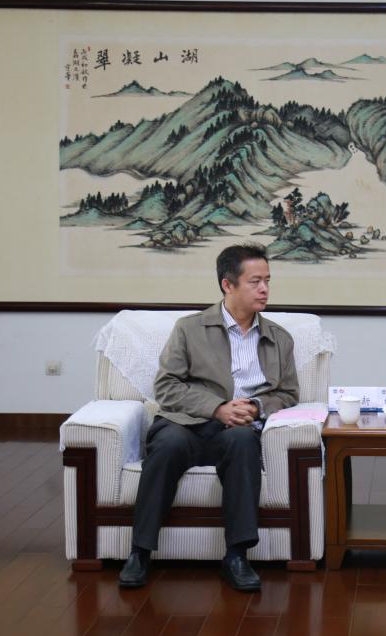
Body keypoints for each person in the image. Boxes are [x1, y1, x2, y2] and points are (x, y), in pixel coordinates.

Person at [118, 243, 299, 592]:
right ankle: (139, 551)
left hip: (236, 431)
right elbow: (166, 387)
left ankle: (237, 556)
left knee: (244, 441)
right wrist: (217, 407)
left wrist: (256, 407)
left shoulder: (279, 339)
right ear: (227, 285)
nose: (264, 289)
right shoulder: (189, 329)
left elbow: (288, 393)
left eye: (267, 281)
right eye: (255, 281)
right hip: (185, 424)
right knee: (167, 446)